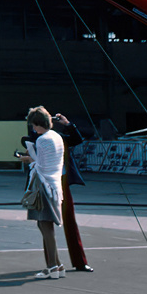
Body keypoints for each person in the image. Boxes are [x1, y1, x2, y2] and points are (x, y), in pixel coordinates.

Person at [18, 106, 65, 279]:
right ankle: (57, 265)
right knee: (45, 225)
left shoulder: (42, 140)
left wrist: (28, 159)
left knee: (45, 226)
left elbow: (41, 166)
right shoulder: (56, 136)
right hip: (54, 185)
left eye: (34, 125)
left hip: (44, 186)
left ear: (38, 123)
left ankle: (52, 267)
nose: (33, 129)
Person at [52, 112, 93, 273]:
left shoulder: (59, 137)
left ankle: (79, 262)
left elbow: (77, 139)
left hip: (61, 181)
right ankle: (52, 263)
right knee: (46, 225)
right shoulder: (39, 138)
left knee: (68, 220)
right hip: (48, 183)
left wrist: (68, 124)